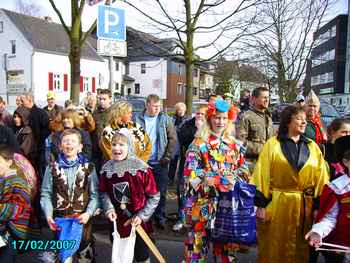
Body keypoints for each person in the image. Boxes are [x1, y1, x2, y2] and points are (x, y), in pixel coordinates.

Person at [251, 105, 329, 263]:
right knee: (274, 246)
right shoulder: (272, 145)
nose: (304, 123)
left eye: (305, 120)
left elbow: (322, 178)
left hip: (304, 207)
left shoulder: (313, 147)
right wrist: (260, 205)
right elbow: (261, 174)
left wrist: (318, 207)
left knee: (301, 249)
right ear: (288, 122)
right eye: (299, 119)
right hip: (278, 204)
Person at [182, 99, 249, 262]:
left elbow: (244, 171)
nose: (220, 122)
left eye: (224, 118)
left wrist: (233, 179)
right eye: (217, 117)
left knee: (226, 253)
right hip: (201, 205)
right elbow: (189, 174)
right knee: (196, 251)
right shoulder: (198, 144)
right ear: (210, 118)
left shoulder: (234, 145)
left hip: (227, 207)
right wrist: (214, 179)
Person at [99, 130, 160, 263]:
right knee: (121, 257)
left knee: (141, 256)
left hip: (138, 222)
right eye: (114, 144)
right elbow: (103, 193)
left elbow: (154, 196)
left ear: (130, 146)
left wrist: (142, 216)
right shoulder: (106, 169)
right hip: (118, 221)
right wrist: (109, 209)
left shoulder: (141, 169)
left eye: (122, 145)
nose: (117, 148)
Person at [40, 129, 99, 262]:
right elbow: (45, 194)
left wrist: (89, 213)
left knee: (85, 255)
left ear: (80, 147)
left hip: (83, 220)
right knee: (63, 257)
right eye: (66, 141)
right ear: (60, 146)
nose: (69, 144)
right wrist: (49, 215)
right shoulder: (52, 168)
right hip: (60, 220)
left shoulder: (89, 167)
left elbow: (95, 195)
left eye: (73, 141)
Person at [135, 94, 177, 229]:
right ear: (147, 105)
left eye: (159, 106)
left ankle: (160, 217)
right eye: (154, 106)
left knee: (161, 192)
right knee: (144, 192)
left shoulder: (165, 119)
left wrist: (167, 157)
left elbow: (172, 139)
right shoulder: (138, 119)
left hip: (160, 162)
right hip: (143, 162)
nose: (157, 109)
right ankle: (147, 218)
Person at [305, 135, 350, 263]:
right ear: (346, 162)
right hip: (342, 249)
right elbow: (329, 218)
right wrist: (317, 232)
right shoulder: (337, 187)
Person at [0, 145, 40, 262]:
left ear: (9, 162)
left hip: (11, 232)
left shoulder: (17, 180)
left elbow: (19, 208)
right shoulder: (3, 179)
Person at [172, 104, 207, 232]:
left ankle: (199, 219)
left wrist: (201, 130)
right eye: (197, 113)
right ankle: (182, 219)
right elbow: (182, 138)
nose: (199, 116)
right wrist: (196, 130)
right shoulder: (188, 125)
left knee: (201, 193)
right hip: (187, 163)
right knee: (184, 191)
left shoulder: (210, 127)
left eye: (202, 114)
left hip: (203, 167)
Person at [238, 86, 274, 171]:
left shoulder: (268, 117)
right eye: (264, 97)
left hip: (267, 165)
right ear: (254, 99)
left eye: (268, 97)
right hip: (251, 166)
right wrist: (263, 148)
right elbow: (240, 142)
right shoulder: (245, 117)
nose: (267, 100)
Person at [21, 92, 50, 177]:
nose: (21, 103)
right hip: (29, 149)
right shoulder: (24, 113)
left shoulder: (40, 113)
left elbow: (46, 130)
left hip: (39, 148)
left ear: (29, 100)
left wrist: (38, 142)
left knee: (40, 172)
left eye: (23, 101)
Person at [92, 89, 113, 170]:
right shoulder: (95, 113)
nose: (101, 101)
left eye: (104, 99)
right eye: (100, 99)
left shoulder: (113, 113)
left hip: (108, 149)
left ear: (110, 99)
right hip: (96, 149)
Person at [168, 102, 188, 185]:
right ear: (176, 110)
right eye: (179, 110)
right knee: (173, 162)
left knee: (183, 162)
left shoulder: (188, 119)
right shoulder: (172, 119)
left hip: (184, 143)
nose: (181, 111)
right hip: (175, 143)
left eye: (182, 109)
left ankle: (180, 179)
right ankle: (170, 179)